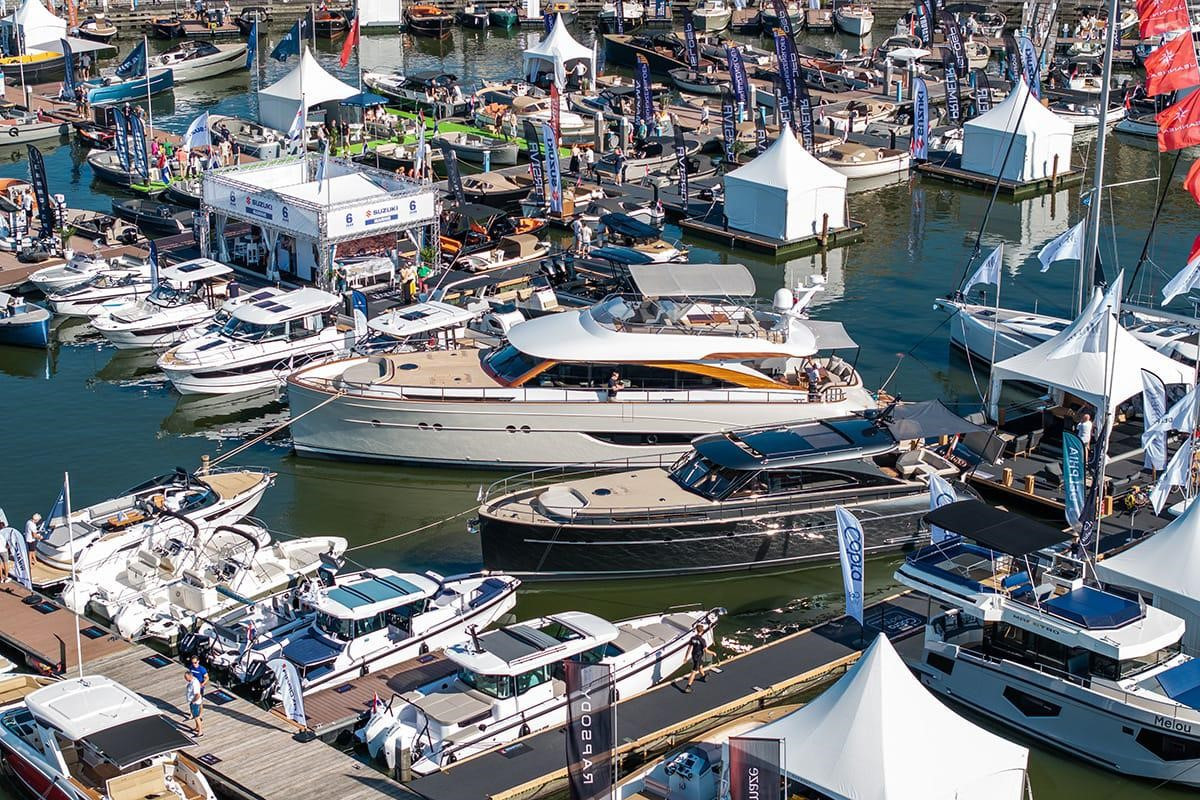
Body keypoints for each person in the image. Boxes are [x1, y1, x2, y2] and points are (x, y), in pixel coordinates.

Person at [682, 622, 714, 693]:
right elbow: (706, 650)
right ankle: (688, 686)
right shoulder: (702, 640)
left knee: (700, 666)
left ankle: (703, 676)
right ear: (702, 631)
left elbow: (689, 648)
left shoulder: (692, 638)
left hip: (694, 655)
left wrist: (686, 657)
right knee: (694, 671)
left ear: (697, 630)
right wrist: (713, 653)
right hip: (699, 656)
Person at [185, 669, 203, 736]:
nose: (185, 679)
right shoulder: (192, 681)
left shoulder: (194, 683)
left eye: (186, 677)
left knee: (196, 717)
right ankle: (197, 727)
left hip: (195, 702)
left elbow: (197, 694)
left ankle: (200, 732)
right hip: (192, 701)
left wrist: (193, 701)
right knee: (195, 716)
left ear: (190, 676)